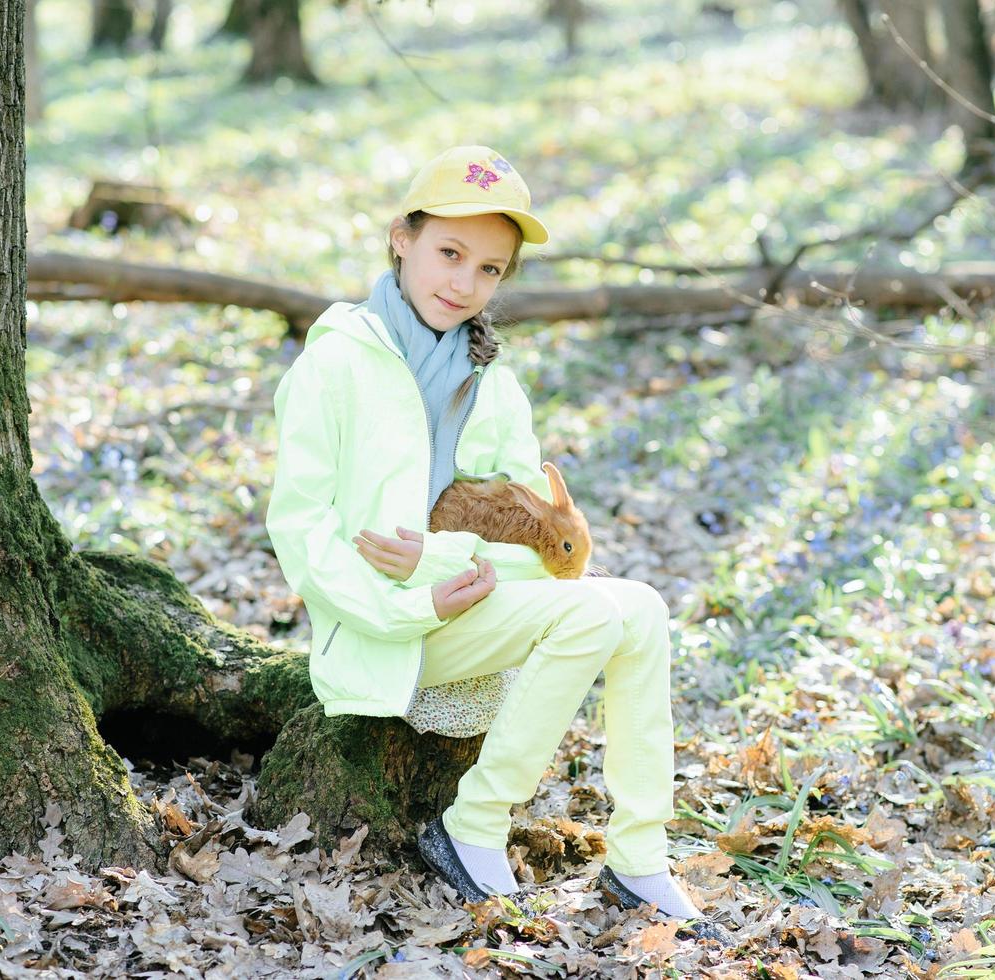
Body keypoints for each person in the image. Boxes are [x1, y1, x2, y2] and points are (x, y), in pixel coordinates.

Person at [265, 145, 715, 933]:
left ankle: (640, 856)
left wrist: (443, 563)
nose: (462, 284)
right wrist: (413, 598)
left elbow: (531, 538)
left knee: (638, 607)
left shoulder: (493, 383)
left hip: (470, 605)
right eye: (448, 253)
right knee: (596, 615)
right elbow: (301, 528)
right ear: (400, 237)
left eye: (489, 270)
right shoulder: (335, 362)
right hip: (383, 630)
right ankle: (472, 827)